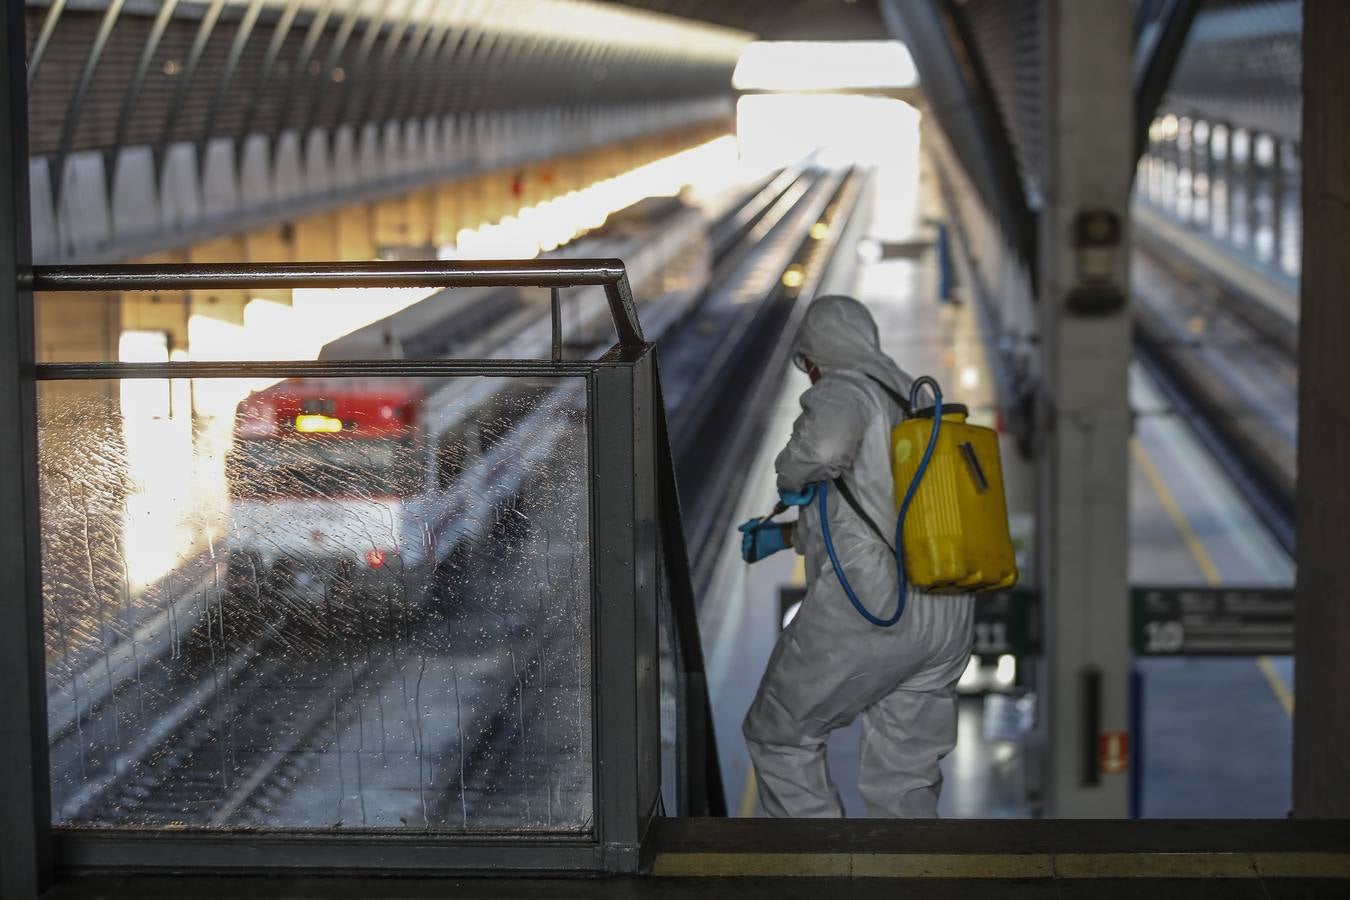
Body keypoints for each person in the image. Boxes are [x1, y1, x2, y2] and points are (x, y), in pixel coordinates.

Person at [738, 294, 974, 818]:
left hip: (875, 608)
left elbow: (819, 455)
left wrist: (790, 476)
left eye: (809, 366)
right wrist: (786, 536)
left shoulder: (845, 387)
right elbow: (879, 509)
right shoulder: (913, 398)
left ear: (817, 354)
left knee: (780, 734)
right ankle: (908, 879)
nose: (810, 376)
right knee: (905, 773)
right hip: (946, 608)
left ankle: (818, 869)